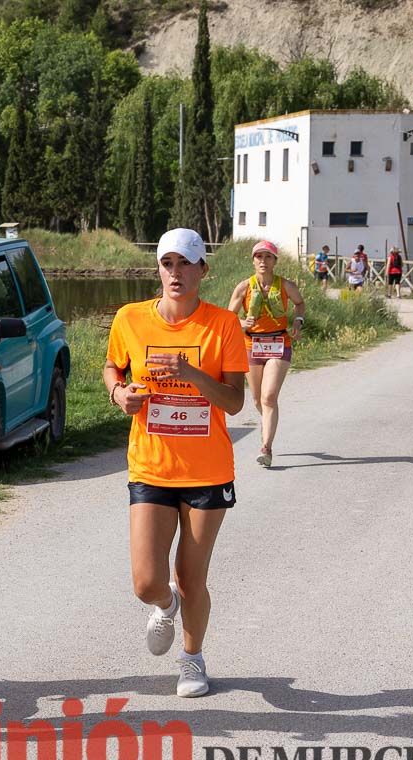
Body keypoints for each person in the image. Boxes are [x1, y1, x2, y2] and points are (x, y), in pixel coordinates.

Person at [103, 228, 247, 698]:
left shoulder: (222, 324)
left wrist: (191, 374)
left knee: (191, 576)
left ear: (203, 270)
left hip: (207, 471)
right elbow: (113, 368)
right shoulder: (130, 318)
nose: (175, 273)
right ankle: (163, 607)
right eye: (167, 264)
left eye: (185, 264)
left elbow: (234, 401)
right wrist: (118, 392)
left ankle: (192, 658)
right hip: (151, 466)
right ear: (158, 270)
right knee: (148, 581)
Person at [227, 240, 306, 468]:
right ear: (253, 260)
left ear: (275, 261)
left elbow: (300, 304)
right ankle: (269, 420)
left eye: (268, 257)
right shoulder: (244, 287)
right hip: (251, 345)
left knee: (268, 397)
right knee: (257, 399)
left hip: (279, 343)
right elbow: (229, 317)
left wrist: (298, 321)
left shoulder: (285, 285)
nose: (263, 261)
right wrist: (243, 322)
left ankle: (266, 448)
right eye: (259, 257)